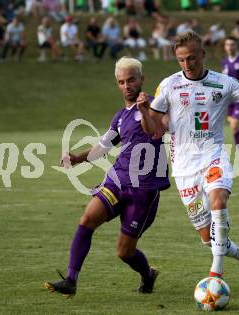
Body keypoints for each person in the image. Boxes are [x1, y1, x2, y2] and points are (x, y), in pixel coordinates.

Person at [138, 31, 239, 290]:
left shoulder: (224, 83)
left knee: (219, 200)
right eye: (181, 60)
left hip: (213, 156)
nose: (187, 64)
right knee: (207, 237)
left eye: (191, 58)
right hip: (184, 167)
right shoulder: (168, 85)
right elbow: (154, 129)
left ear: (203, 54)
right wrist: (145, 112)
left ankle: (216, 274)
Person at [45, 56, 170, 297]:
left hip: (144, 188)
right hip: (118, 179)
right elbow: (104, 146)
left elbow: (155, 130)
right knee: (87, 219)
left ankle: (148, 274)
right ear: (118, 84)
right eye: (122, 81)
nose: (127, 85)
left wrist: (144, 111)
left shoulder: (156, 106)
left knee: (124, 252)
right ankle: (71, 279)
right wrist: (78, 158)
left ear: (142, 79)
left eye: (131, 80)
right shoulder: (120, 116)